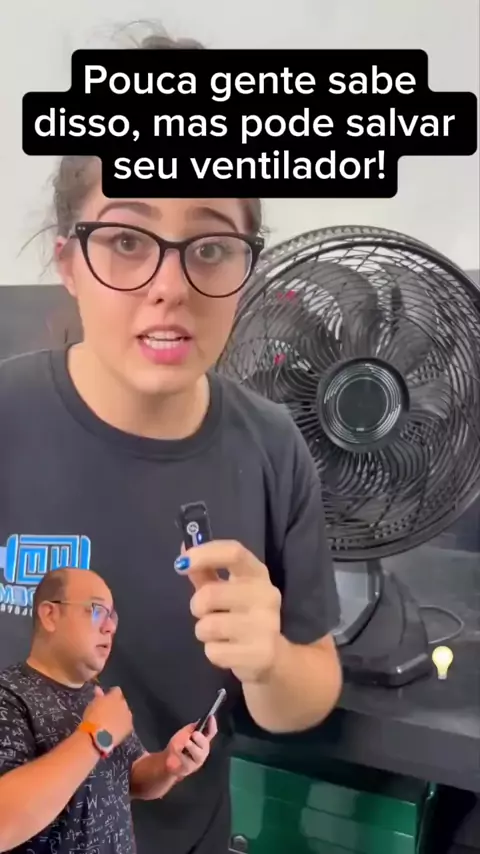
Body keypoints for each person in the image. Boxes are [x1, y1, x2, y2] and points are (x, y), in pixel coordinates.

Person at [0, 29, 342, 854]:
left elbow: (310, 684)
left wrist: (268, 661)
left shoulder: (271, 450)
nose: (168, 286)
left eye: (211, 247)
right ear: (68, 261)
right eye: (127, 239)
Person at [0, 567, 216, 853]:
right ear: (50, 615)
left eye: (112, 616)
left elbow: (133, 778)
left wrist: (169, 764)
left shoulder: (98, 697)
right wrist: (96, 735)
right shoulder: (9, 696)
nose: (110, 627)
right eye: (96, 610)